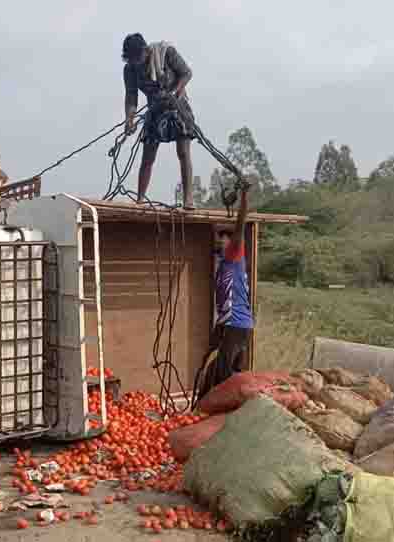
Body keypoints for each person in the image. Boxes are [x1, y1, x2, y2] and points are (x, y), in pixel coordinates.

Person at [122, 33, 196, 208]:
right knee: (148, 156)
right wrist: (129, 119)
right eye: (131, 60)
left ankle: (188, 200)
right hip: (155, 109)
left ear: (145, 51)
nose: (135, 62)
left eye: (137, 58)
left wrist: (175, 92)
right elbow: (131, 96)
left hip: (177, 106)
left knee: (183, 153)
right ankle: (140, 200)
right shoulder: (130, 70)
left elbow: (186, 73)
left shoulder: (165, 52)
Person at [197, 184, 254, 399]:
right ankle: (200, 410)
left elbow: (239, 226)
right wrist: (215, 334)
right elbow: (224, 304)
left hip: (237, 324)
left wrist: (244, 198)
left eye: (223, 237)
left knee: (224, 375)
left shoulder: (234, 255)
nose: (219, 239)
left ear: (232, 242)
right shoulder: (223, 265)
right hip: (229, 324)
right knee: (212, 373)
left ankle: (227, 415)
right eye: (219, 236)